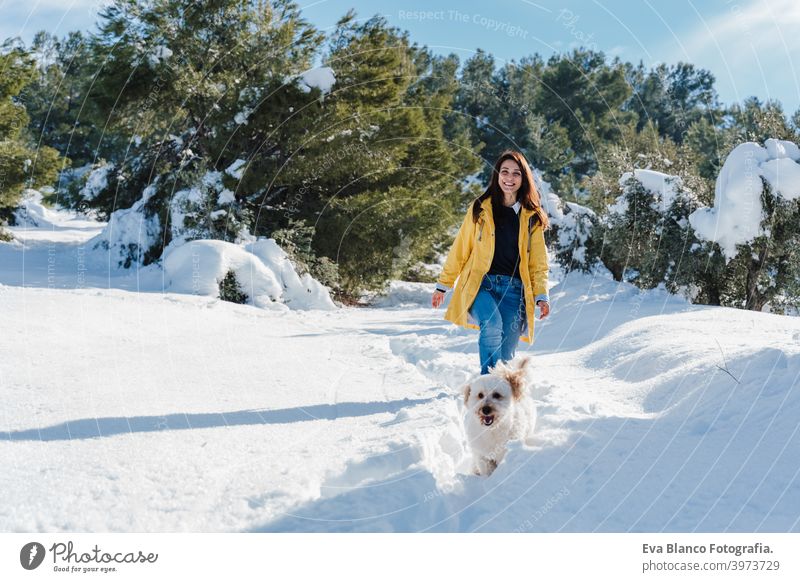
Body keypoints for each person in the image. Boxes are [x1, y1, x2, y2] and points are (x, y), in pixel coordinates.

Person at [432, 150, 550, 375]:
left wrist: (541, 295)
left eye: (516, 173)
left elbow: (539, 263)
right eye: (504, 171)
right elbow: (460, 249)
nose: (509, 177)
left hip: (514, 291)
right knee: (492, 324)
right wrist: (443, 285)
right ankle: (486, 385)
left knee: (505, 361)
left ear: (523, 179)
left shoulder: (532, 216)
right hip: (481, 285)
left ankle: (498, 400)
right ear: (497, 175)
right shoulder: (480, 209)